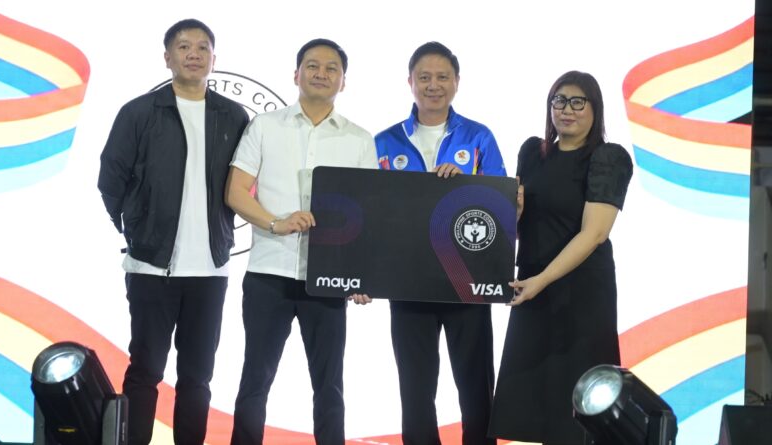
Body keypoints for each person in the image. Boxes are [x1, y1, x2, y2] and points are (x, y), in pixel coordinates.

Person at [97, 19, 249, 445]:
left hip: (210, 270)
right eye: (184, 47)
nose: (193, 54)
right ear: (167, 57)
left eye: (202, 47)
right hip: (151, 267)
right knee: (146, 370)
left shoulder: (233, 116)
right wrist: (136, 229)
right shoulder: (139, 112)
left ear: (214, 59)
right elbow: (111, 179)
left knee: (198, 377)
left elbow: (246, 181)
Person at [224, 38, 377, 445]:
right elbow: (236, 192)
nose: (321, 74)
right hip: (268, 272)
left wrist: (361, 275)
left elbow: (367, 214)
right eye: (312, 66)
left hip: (327, 280)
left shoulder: (359, 139)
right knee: (255, 380)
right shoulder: (264, 126)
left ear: (343, 81)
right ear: (296, 74)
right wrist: (276, 223)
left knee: (330, 386)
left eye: (331, 68)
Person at [488, 71, 633, 445]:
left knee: (577, 405)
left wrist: (542, 280)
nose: (567, 110)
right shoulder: (532, 152)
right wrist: (513, 214)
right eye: (559, 100)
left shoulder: (608, 158)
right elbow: (518, 223)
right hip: (532, 286)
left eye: (577, 102)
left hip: (581, 293)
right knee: (534, 401)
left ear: (595, 109)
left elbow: (594, 234)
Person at [373, 41, 506, 445]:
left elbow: (501, 207)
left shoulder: (479, 137)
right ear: (410, 82)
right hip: (408, 284)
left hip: (467, 282)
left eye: (443, 77)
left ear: (457, 82)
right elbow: (370, 215)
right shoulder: (384, 142)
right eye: (425, 77)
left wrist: (467, 187)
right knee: (415, 392)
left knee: (476, 389)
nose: (434, 85)